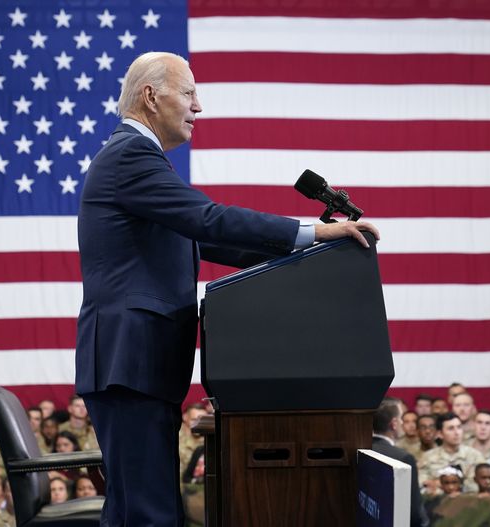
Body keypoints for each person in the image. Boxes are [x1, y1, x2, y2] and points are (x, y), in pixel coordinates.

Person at [75, 50, 381, 527]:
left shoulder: (136, 161)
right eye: (190, 94)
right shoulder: (130, 157)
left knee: (138, 511)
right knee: (147, 515)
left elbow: (205, 237)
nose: (199, 107)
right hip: (129, 362)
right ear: (152, 97)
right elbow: (208, 218)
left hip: (137, 365)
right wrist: (314, 233)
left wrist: (305, 253)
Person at [371, 399, 427, 527]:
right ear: (394, 424)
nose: (403, 423)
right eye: (402, 418)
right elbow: (413, 510)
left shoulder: (362, 451)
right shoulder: (403, 458)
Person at [418, 412, 485, 494]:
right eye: (451, 428)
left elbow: (479, 486)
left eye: (459, 427)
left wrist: (440, 484)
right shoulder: (427, 457)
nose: (457, 433)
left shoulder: (475, 456)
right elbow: (422, 486)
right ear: (440, 434)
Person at [178, 404, 208, 480]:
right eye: (194, 420)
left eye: (202, 421)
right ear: (184, 417)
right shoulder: (175, 439)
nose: (198, 425)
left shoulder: (209, 441)